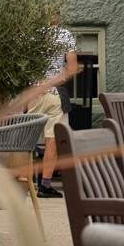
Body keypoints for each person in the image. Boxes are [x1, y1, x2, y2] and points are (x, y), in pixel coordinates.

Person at [31, 11, 80, 198]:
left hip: (32, 93)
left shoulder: (29, 34)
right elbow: (73, 67)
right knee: (53, 139)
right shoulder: (65, 35)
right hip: (54, 93)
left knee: (26, 138)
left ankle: (23, 180)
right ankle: (45, 184)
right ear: (57, 17)